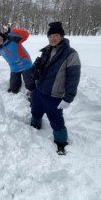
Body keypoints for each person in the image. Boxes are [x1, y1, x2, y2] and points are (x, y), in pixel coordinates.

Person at [30, 22, 81, 155]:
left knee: (56, 120)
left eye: (56, 35)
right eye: (50, 36)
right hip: (39, 91)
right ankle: (35, 126)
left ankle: (61, 142)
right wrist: (36, 70)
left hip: (54, 95)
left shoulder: (71, 54)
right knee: (35, 111)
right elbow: (41, 70)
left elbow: (73, 78)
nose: (52, 38)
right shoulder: (47, 50)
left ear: (62, 36)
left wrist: (68, 98)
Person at [0, 26, 33, 94]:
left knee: (30, 85)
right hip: (14, 68)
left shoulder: (12, 39)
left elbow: (26, 34)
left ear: (1, 35)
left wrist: (12, 31)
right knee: (13, 89)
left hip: (26, 64)